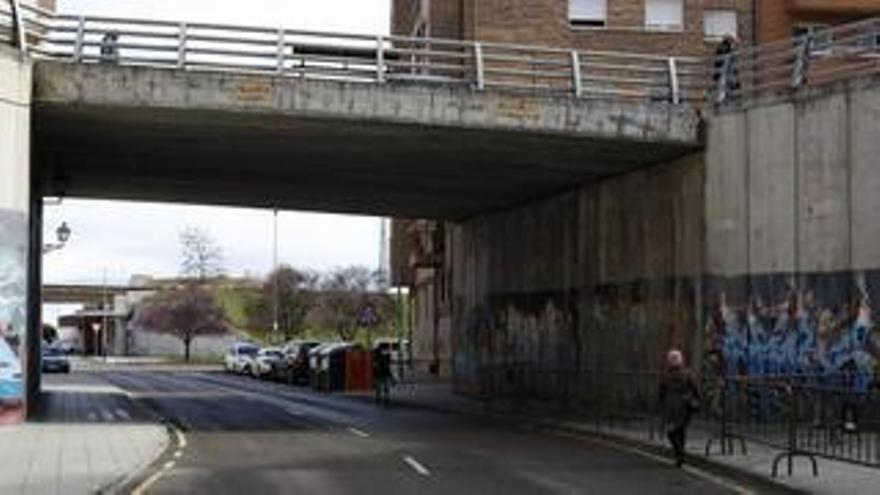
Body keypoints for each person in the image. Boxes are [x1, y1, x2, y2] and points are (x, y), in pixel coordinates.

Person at [659, 349, 701, 467]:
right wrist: (696, 401)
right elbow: (695, 389)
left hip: (674, 408)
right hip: (685, 407)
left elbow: (661, 393)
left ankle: (680, 454)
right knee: (680, 432)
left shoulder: (666, 375)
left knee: (672, 432)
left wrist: (661, 405)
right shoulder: (687, 374)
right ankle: (680, 455)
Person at [713, 35, 740, 104]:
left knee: (725, 84)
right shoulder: (725, 47)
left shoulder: (726, 48)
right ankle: (721, 100)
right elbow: (723, 58)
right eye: (731, 41)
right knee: (723, 84)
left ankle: (724, 99)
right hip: (723, 70)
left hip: (725, 70)